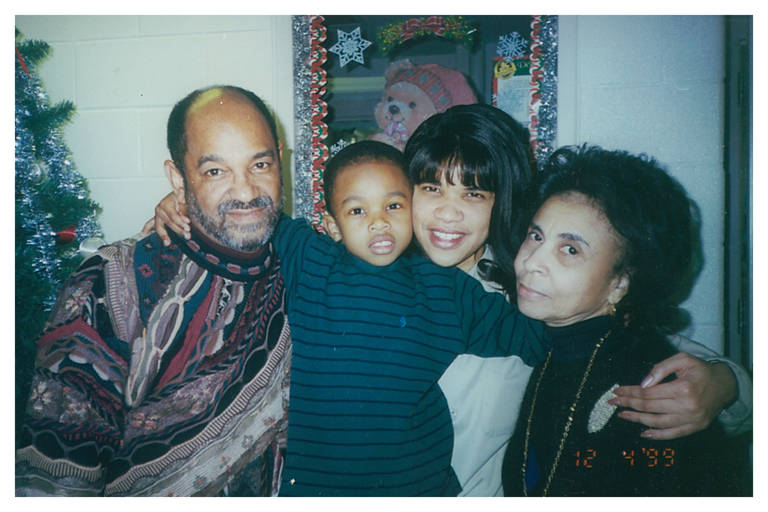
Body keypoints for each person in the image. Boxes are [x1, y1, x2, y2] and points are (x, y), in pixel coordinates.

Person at [402, 104, 752, 496]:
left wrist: (727, 384)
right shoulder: (364, 282)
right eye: (431, 188)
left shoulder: (520, 292)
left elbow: (640, 343)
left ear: (502, 201)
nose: (447, 213)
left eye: (474, 193)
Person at [15, 86, 292, 496]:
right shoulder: (111, 284)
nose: (247, 191)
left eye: (260, 164)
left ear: (280, 159)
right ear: (177, 179)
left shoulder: (307, 268)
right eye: (215, 171)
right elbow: (57, 476)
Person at [500, 144, 750, 496]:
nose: (531, 262)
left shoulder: (653, 397)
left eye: (570, 249)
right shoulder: (546, 340)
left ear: (620, 283)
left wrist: (730, 383)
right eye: (535, 236)